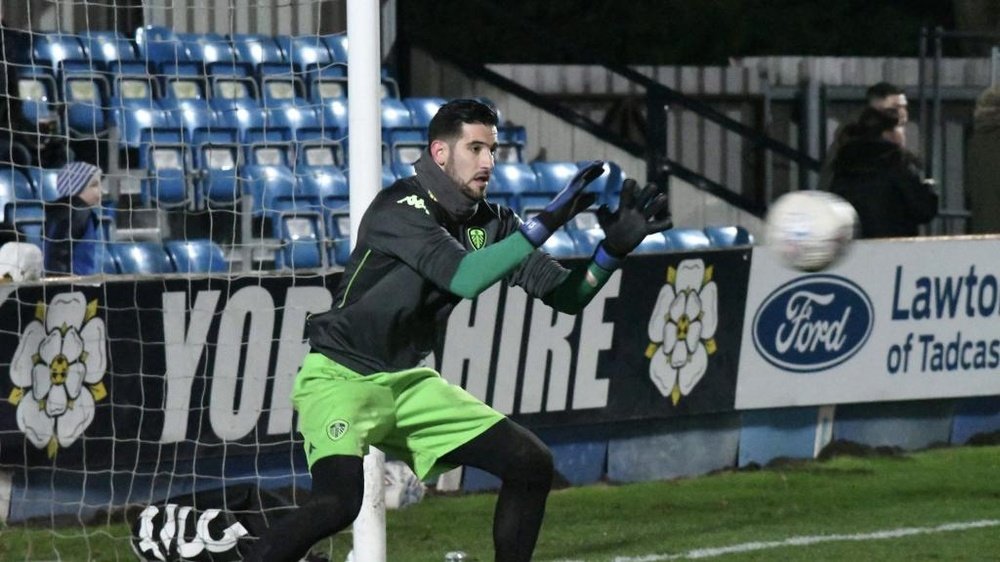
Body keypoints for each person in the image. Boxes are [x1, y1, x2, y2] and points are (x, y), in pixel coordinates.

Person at [244, 99, 672, 562]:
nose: (488, 161)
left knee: (530, 463)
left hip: (407, 383)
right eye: (476, 148)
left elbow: (567, 297)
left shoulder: (492, 223)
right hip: (340, 378)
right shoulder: (400, 206)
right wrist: (549, 218)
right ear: (440, 152)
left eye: (493, 149)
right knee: (338, 503)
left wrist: (611, 251)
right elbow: (464, 276)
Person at [829, 106, 938, 239]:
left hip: (854, 248)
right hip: (894, 247)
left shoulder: (844, 164)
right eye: (900, 127)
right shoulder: (896, 163)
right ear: (887, 133)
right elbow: (923, 210)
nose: (904, 133)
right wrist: (928, 190)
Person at [819, 81, 909, 190]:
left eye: (904, 107)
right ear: (875, 107)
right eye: (895, 107)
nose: (903, 113)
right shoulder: (855, 133)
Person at [44, 161, 103, 275]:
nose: (101, 190)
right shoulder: (79, 213)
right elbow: (60, 252)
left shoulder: (57, 212)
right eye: (94, 185)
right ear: (76, 188)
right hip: (76, 281)